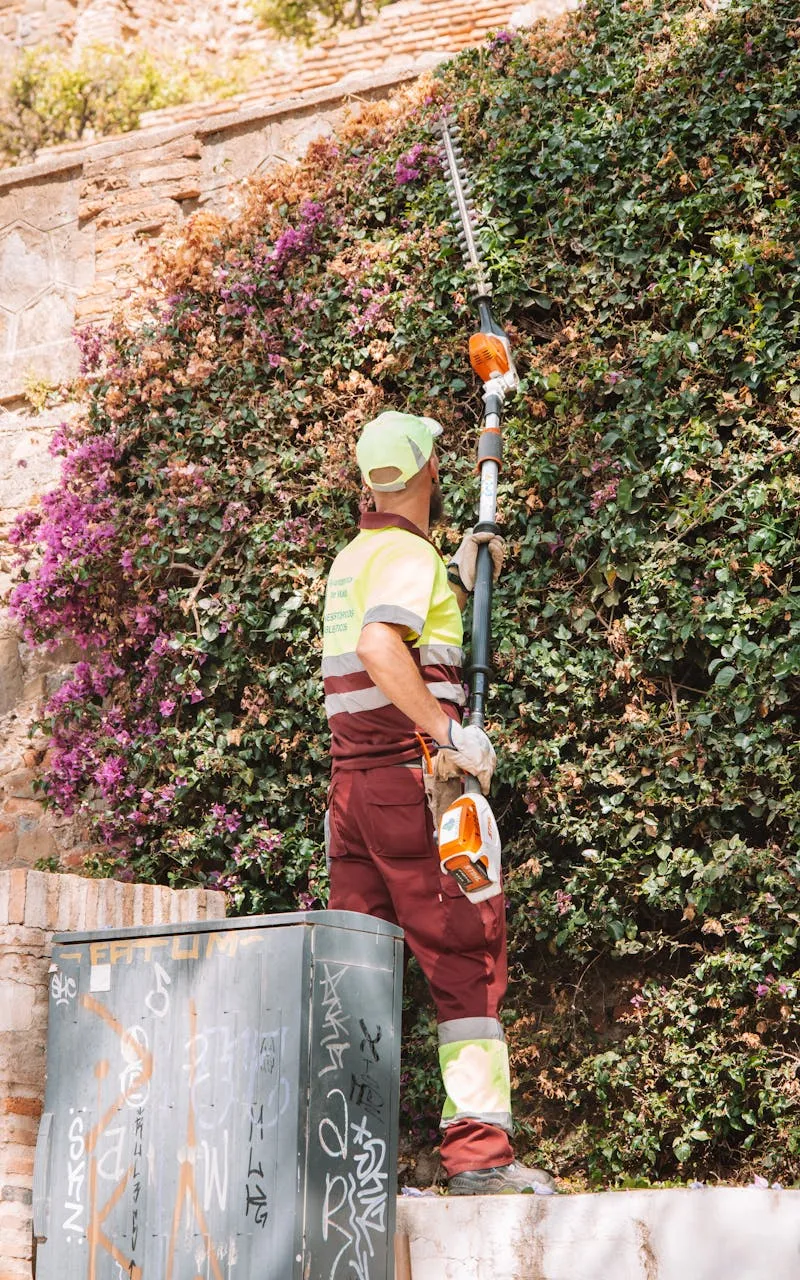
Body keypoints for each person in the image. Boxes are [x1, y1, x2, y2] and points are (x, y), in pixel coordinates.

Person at [322, 409, 554, 1195]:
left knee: (361, 975)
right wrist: (448, 734)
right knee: (466, 958)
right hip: (410, 786)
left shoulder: (354, 557)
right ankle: (480, 1160)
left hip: (350, 794)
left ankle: (352, 1166)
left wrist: (454, 577)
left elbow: (383, 636)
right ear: (427, 475)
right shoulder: (404, 558)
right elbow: (383, 646)